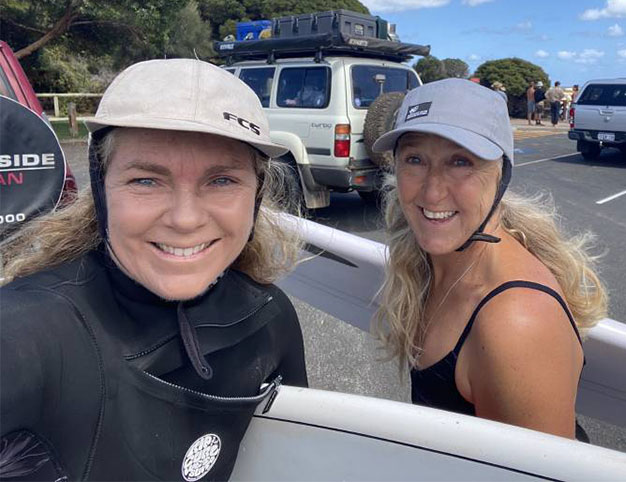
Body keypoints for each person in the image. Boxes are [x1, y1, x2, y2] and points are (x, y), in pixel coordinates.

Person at [0, 59, 308, 481]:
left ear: (256, 196)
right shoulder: (30, 330)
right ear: (102, 186)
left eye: (221, 181)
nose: (185, 219)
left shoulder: (271, 315)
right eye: (147, 180)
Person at [372, 78, 607, 440]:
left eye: (461, 162)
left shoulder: (515, 322)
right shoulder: (428, 262)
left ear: (501, 175)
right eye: (414, 159)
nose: (432, 191)